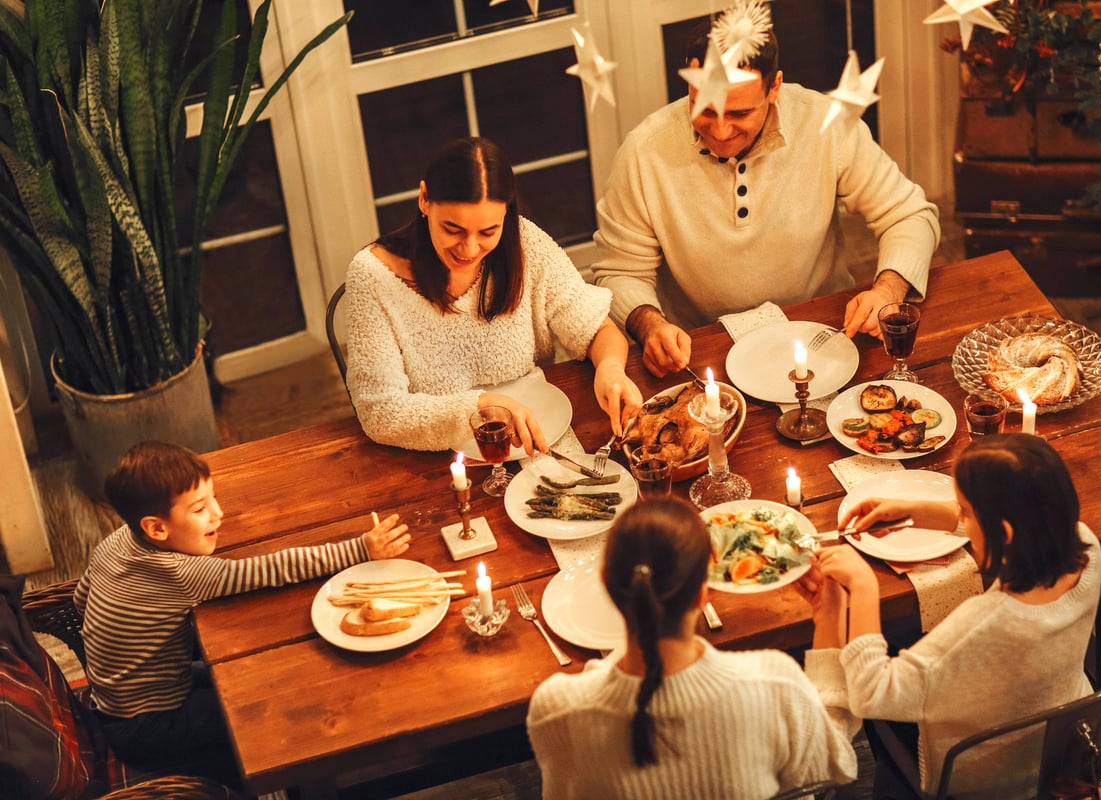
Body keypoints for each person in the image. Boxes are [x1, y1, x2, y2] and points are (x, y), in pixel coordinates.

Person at [591, 13, 941, 378]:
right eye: (704, 109)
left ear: (774, 88)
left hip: (825, 331)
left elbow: (910, 215)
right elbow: (619, 272)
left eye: (739, 112)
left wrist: (887, 290)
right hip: (701, 349)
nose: (721, 131)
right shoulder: (643, 152)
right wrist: (649, 324)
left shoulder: (826, 123)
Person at [74, 441, 412, 786]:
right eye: (199, 509)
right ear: (156, 529)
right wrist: (360, 548)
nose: (218, 514)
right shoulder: (180, 572)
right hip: (152, 725)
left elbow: (80, 599)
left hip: (111, 701)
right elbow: (270, 569)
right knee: (273, 711)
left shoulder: (115, 542)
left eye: (213, 499)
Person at [811, 433, 1101, 799]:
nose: (959, 514)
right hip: (1056, 743)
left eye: (964, 510)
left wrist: (863, 585)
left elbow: (871, 694)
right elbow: (1015, 524)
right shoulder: (1086, 546)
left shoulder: (982, 625)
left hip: (975, 780)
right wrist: (916, 512)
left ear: (1003, 532)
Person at [526, 496, 860, 798]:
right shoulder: (774, 683)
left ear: (604, 582)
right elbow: (835, 765)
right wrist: (829, 618)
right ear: (705, 593)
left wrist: (600, 672)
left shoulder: (557, 708)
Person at [344, 136, 642, 452]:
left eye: (488, 232)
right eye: (453, 229)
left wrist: (610, 369)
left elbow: (595, 328)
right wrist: (480, 406)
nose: (470, 249)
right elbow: (380, 412)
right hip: (432, 459)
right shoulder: (373, 275)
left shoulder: (525, 242)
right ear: (424, 200)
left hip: (536, 438)